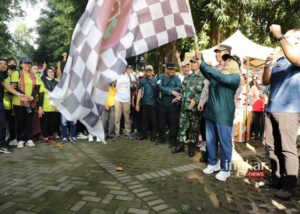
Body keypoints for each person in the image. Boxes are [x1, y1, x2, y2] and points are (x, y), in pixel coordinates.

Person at [259, 25, 300, 200]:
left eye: (291, 37)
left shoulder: (295, 56)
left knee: (287, 149)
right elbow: (266, 81)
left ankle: (290, 185)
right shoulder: (281, 60)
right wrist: (268, 65)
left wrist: (279, 36)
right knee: (272, 147)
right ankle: (276, 178)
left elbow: (296, 60)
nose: (296, 40)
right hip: (272, 108)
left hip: (289, 111)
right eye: (292, 37)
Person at [200, 53, 241, 182]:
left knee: (225, 143)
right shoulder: (218, 76)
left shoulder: (235, 78)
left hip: (223, 116)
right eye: (225, 60)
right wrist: (200, 59)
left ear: (236, 65)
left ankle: (226, 169)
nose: (226, 62)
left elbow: (217, 75)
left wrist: (203, 63)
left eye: (229, 60)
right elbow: (207, 73)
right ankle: (213, 163)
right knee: (210, 141)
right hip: (210, 114)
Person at [172, 56, 204, 157]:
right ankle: (180, 145)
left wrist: (196, 101)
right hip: (184, 107)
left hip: (195, 109)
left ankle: (192, 147)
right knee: (182, 126)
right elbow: (183, 91)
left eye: (194, 62)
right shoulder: (187, 77)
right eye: (192, 63)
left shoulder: (203, 77)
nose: (192, 64)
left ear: (199, 64)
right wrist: (179, 97)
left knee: (194, 128)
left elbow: (205, 94)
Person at [0, 58, 29, 153]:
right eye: (1, 63)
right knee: (3, 124)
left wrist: (20, 95)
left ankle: (2, 145)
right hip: (4, 102)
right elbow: (7, 86)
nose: (3, 65)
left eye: (5, 63)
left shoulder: (2, 75)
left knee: (3, 125)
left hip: (3, 103)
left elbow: (7, 86)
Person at [11, 58, 39, 149]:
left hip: (30, 102)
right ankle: (20, 140)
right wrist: (25, 97)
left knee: (29, 122)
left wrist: (31, 97)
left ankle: (29, 139)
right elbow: (14, 87)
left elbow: (36, 88)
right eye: (25, 63)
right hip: (18, 102)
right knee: (20, 122)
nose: (28, 65)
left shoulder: (34, 75)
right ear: (21, 65)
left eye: (29, 63)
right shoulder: (17, 73)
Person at [156, 62, 181, 147]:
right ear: (166, 69)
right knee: (161, 122)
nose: (172, 71)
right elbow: (159, 87)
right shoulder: (160, 77)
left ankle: (172, 140)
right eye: (170, 69)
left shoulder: (177, 78)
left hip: (172, 104)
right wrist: (171, 91)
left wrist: (167, 90)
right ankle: (161, 138)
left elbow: (179, 88)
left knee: (173, 123)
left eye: (173, 69)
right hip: (162, 104)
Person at [113, 65, 136, 141]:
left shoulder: (129, 75)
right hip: (117, 99)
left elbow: (135, 83)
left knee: (127, 118)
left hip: (126, 100)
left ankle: (128, 133)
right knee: (117, 118)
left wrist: (131, 73)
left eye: (124, 67)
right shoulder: (116, 75)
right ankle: (117, 134)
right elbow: (112, 84)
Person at [135, 65, 157, 141]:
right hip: (144, 103)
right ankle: (144, 134)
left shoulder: (156, 80)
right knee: (144, 120)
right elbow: (139, 92)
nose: (148, 72)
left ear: (152, 71)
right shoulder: (142, 81)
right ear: (145, 71)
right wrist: (137, 104)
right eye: (147, 70)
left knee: (153, 120)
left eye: (150, 70)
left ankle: (153, 135)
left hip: (153, 103)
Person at [38, 67, 58, 145]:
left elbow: (58, 95)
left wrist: (57, 106)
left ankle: (51, 136)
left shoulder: (56, 82)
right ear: (46, 73)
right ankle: (45, 137)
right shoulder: (42, 81)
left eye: (52, 72)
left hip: (54, 106)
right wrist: (40, 107)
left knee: (52, 123)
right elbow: (41, 95)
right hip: (45, 106)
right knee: (45, 123)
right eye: (49, 72)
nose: (51, 73)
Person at [4, 58, 18, 146]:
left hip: (14, 102)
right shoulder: (3, 75)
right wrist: (9, 88)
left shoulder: (17, 74)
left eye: (14, 63)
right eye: (11, 63)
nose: (13, 64)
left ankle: (13, 138)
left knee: (12, 122)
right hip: (4, 102)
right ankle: (5, 139)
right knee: (4, 122)